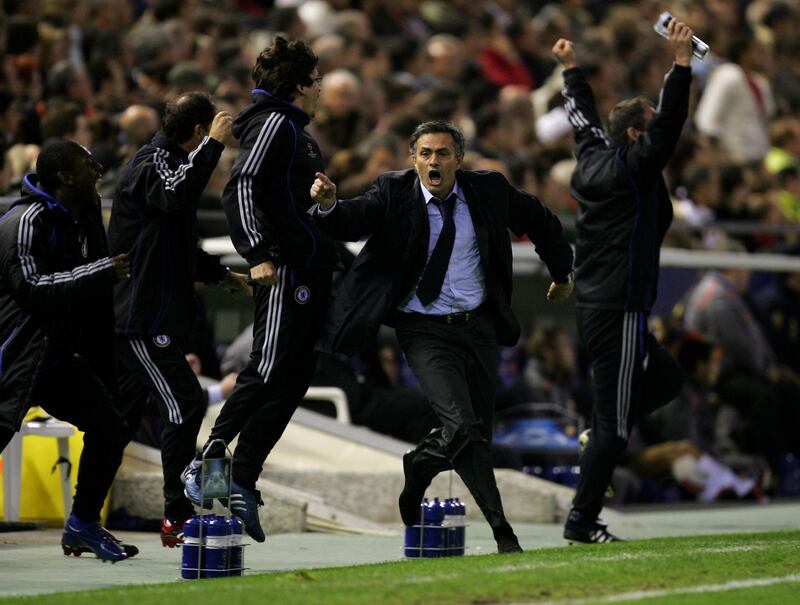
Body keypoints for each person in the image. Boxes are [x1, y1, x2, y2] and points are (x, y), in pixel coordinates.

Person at [309, 120, 574, 553]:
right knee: (462, 426)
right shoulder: (393, 191)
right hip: (422, 328)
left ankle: (420, 464)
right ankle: (503, 533)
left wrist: (562, 273)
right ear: (413, 159)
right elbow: (352, 218)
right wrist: (328, 205)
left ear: (459, 159)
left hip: (478, 326)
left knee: (477, 436)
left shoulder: (488, 190)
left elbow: (540, 219)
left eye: (443, 153)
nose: (435, 161)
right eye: (426, 153)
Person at [181, 36, 339, 543]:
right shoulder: (274, 123)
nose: (319, 89)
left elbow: (282, 195)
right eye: (315, 81)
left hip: (310, 269)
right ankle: (207, 459)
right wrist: (258, 253)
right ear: (299, 85)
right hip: (286, 268)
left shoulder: (294, 130)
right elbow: (241, 185)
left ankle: (243, 477)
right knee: (268, 365)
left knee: (294, 376)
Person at [552, 18, 693, 544]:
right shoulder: (633, 167)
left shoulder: (592, 154)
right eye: (648, 128)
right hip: (620, 305)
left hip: (599, 302)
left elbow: (580, 117)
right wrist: (680, 66)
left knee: (668, 379)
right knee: (614, 423)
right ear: (636, 134)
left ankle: (598, 436)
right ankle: (581, 519)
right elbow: (670, 126)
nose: (655, 135)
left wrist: (571, 70)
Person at [107, 92, 250, 547]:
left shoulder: (166, 162)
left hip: (151, 313)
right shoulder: (154, 162)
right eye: (209, 132)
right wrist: (213, 146)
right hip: (140, 319)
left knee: (117, 422)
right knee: (185, 403)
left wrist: (221, 275)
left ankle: (83, 517)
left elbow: (176, 241)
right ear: (197, 131)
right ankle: (175, 513)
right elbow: (175, 197)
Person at [0, 140, 133, 562]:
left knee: (110, 429)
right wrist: (100, 270)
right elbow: (31, 289)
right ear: (66, 177)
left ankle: (82, 525)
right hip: (12, 356)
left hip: (54, 361)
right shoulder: (23, 221)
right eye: (87, 163)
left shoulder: (82, 217)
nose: (98, 169)